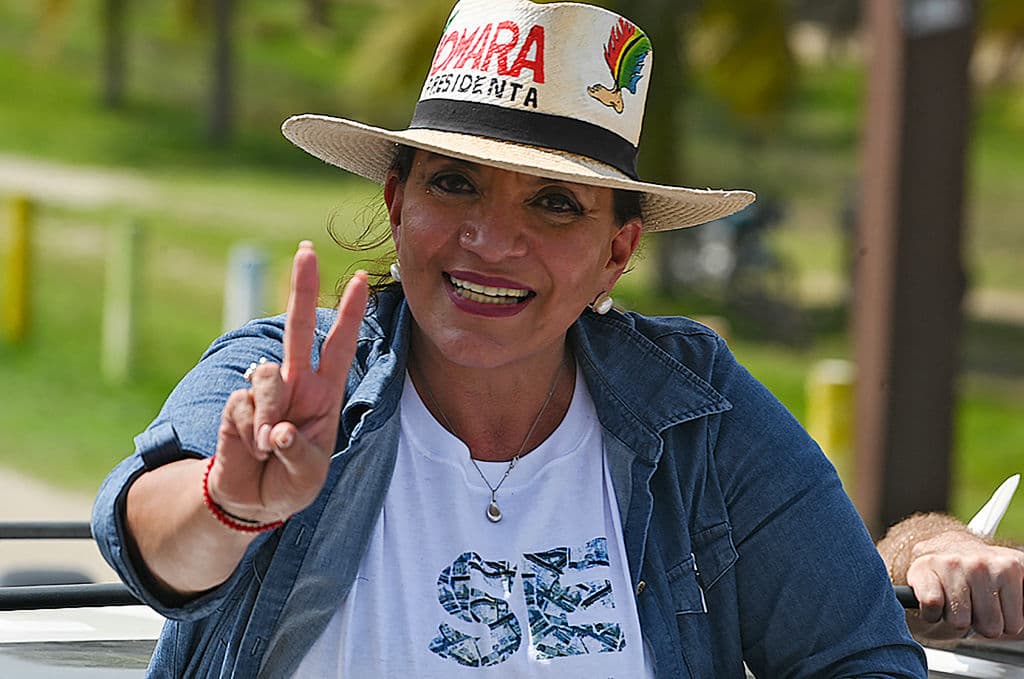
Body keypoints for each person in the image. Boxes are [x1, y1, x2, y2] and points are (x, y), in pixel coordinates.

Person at [92, 0, 927, 676]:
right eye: (455, 184)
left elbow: (860, 654)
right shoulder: (291, 374)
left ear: (617, 251)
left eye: (555, 202)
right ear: (397, 203)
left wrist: (935, 543)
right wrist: (231, 505)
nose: (491, 240)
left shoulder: (696, 408)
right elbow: (142, 535)